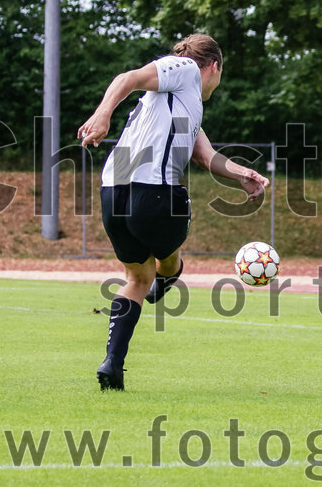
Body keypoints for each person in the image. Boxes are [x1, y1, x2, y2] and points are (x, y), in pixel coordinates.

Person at [78, 33, 270, 390]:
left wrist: (241, 174)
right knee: (171, 264)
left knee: (136, 278)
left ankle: (112, 364)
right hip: (154, 192)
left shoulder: (179, 102)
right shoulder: (185, 70)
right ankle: (164, 281)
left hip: (113, 192)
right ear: (215, 67)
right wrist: (102, 115)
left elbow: (205, 155)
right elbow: (127, 78)